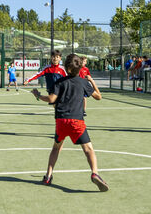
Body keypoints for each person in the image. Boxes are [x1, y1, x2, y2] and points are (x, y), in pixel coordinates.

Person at [31, 53, 108, 192]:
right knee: (88, 149)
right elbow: (99, 97)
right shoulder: (83, 82)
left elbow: (51, 99)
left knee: (56, 148)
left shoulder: (60, 82)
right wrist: (91, 81)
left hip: (61, 120)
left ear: (66, 68)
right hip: (76, 121)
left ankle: (48, 176)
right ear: (80, 68)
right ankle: (95, 173)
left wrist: (37, 96)